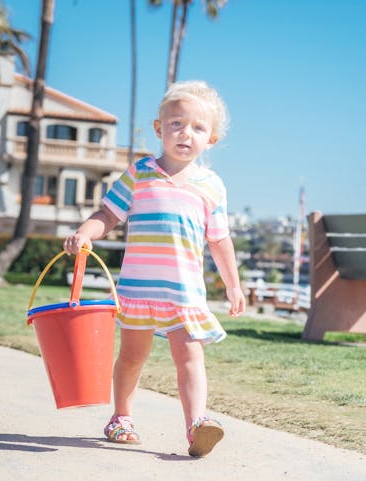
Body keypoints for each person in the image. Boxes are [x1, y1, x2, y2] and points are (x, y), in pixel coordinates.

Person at [63, 80, 246, 456]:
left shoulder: (211, 185)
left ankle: (197, 425)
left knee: (190, 357)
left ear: (210, 139)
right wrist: (86, 232)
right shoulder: (139, 173)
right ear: (159, 129)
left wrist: (234, 285)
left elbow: (219, 240)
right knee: (132, 357)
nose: (186, 133)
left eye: (197, 127)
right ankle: (121, 417)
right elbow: (108, 214)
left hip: (184, 292)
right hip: (139, 289)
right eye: (177, 124)